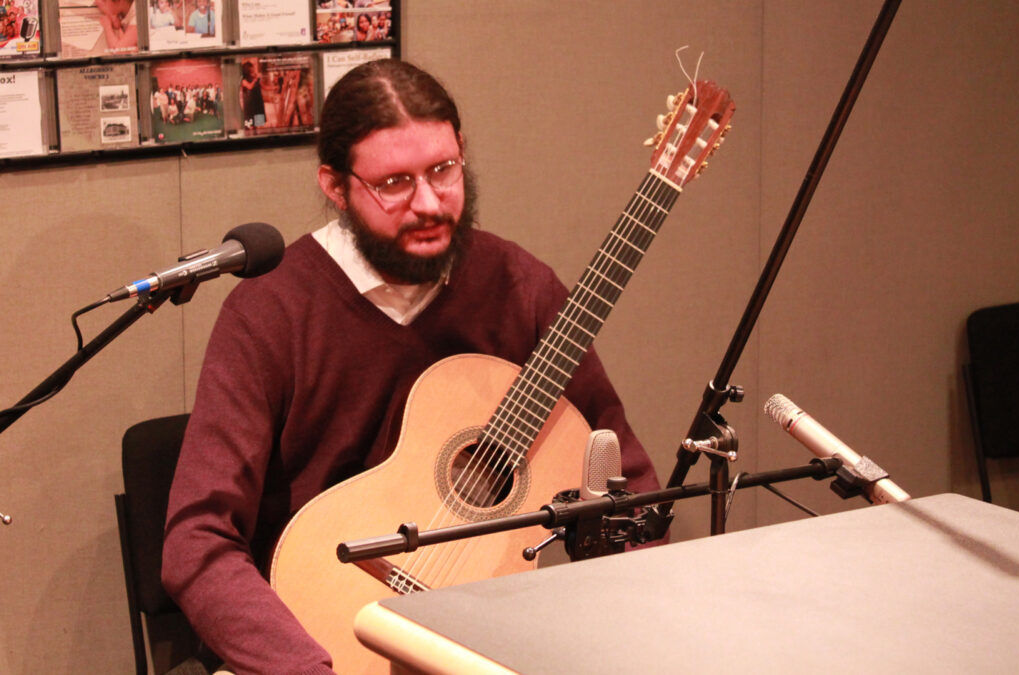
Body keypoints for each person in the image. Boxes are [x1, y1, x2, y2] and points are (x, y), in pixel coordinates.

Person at [161, 59, 661, 674]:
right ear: (335, 187)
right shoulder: (270, 313)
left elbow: (629, 486)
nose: (429, 203)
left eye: (443, 171)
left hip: (487, 639)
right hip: (317, 642)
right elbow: (198, 540)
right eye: (394, 183)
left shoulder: (521, 288)